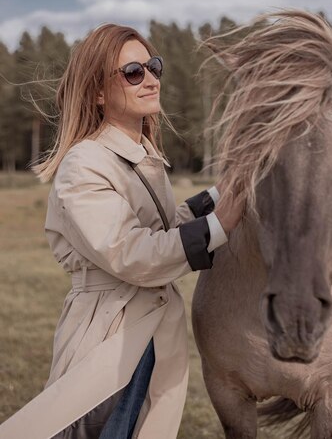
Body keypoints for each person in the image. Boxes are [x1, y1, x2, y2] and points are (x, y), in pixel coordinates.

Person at [0, 23, 244, 439]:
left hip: (150, 332)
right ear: (97, 91)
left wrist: (224, 192)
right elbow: (133, 253)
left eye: (154, 67)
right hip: (111, 335)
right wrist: (222, 223)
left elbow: (162, 228)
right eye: (133, 72)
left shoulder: (141, 155)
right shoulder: (85, 163)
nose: (150, 79)